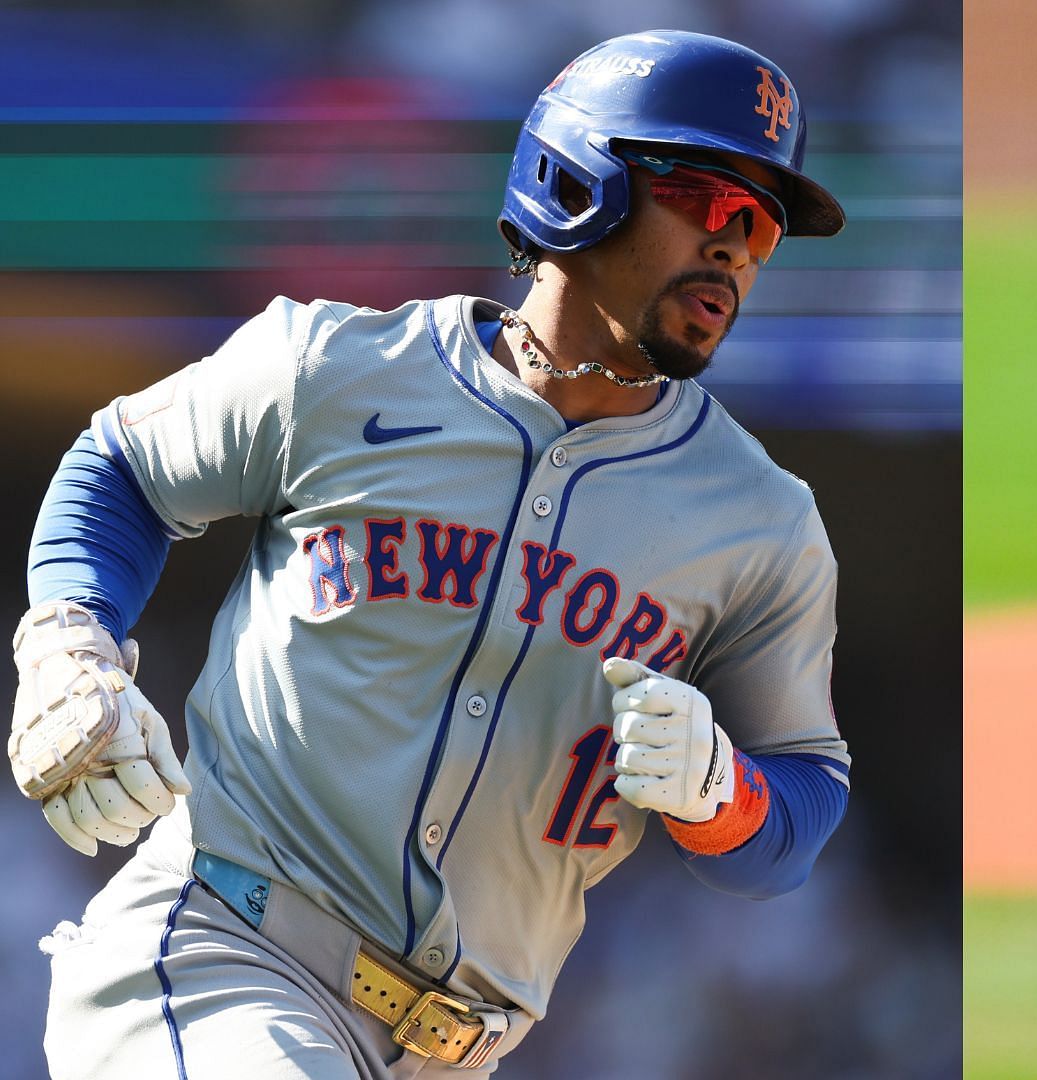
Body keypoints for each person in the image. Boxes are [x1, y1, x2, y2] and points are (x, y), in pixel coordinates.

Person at [11, 30, 851, 1077]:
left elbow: (800, 812)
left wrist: (725, 792)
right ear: (582, 178)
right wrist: (68, 640)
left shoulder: (762, 522)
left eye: (766, 225)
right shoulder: (334, 367)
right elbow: (123, 466)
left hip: (456, 1053)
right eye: (712, 200)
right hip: (219, 958)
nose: (739, 246)